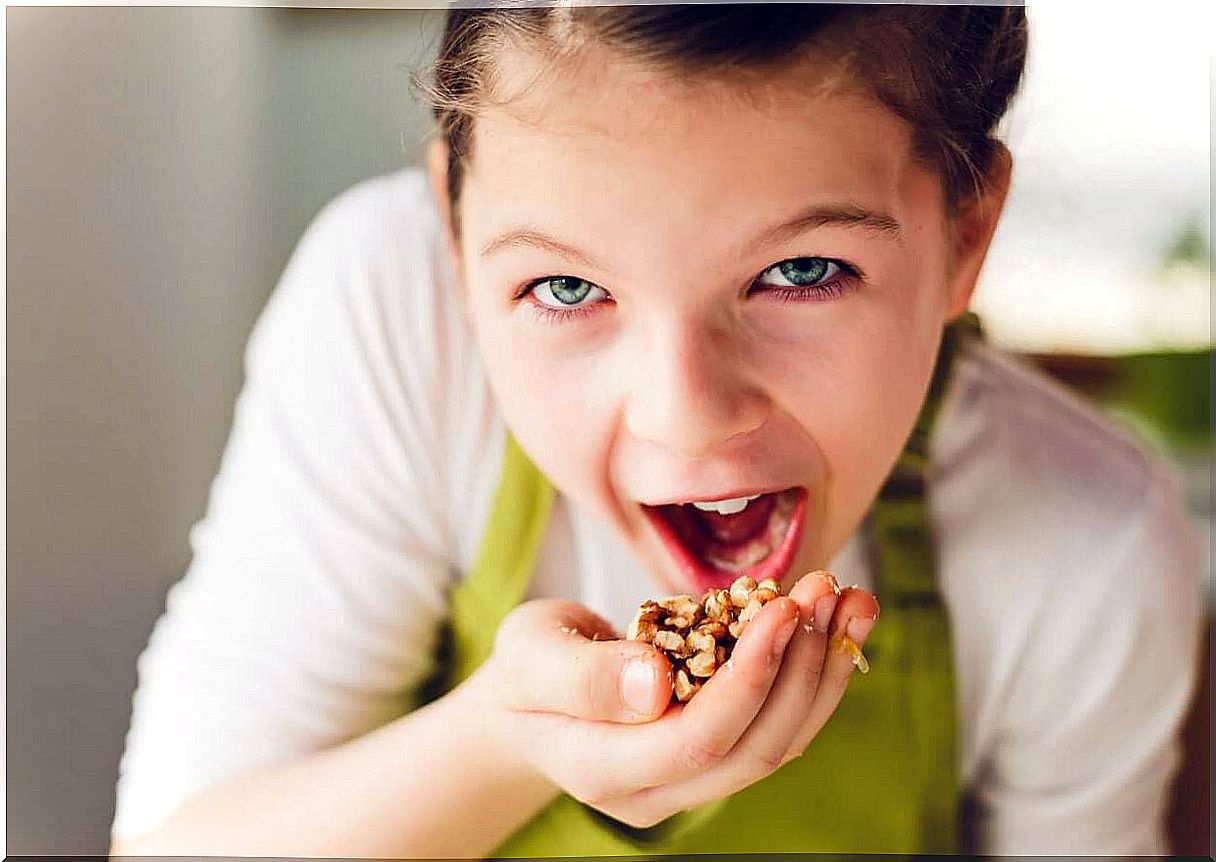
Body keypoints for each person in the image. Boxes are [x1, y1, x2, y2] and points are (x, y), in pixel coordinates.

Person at [109, 3, 1203, 857]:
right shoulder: (395, 321)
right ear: (452, 229)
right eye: (566, 288)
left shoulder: (1086, 536)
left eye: (802, 271)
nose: (684, 414)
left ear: (967, 233)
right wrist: (500, 741)